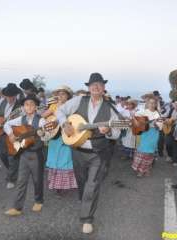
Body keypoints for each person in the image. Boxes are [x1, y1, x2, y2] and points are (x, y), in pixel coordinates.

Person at [56, 72, 120, 234]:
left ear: (104, 88)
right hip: (77, 150)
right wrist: (65, 124)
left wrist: (108, 131)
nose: (96, 87)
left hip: (98, 152)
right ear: (89, 87)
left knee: (92, 184)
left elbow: (117, 132)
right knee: (82, 182)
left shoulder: (110, 107)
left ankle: (87, 218)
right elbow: (60, 111)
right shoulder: (79, 100)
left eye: (99, 84)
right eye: (93, 85)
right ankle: (84, 199)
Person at [4, 94, 47, 216]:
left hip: (36, 154)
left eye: (32, 104)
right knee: (21, 181)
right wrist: (11, 134)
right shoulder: (20, 119)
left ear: (36, 107)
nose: (29, 107)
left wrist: (43, 134)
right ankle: (17, 207)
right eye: (26, 104)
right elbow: (6, 125)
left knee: (37, 179)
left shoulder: (41, 120)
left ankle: (39, 200)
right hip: (23, 153)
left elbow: (48, 134)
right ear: (23, 107)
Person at [43, 86, 77, 195]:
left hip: (66, 135)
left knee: (65, 160)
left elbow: (74, 119)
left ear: (68, 96)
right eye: (59, 94)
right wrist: (49, 119)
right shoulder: (53, 106)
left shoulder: (72, 107)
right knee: (54, 158)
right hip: (54, 136)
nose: (60, 96)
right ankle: (57, 184)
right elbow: (43, 116)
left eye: (63, 94)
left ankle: (65, 185)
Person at [0, 83, 22, 189]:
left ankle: (12, 178)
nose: (10, 98)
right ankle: (13, 171)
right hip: (0, 132)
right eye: (8, 96)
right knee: (1, 153)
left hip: (14, 132)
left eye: (12, 96)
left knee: (12, 156)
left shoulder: (20, 106)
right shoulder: (1, 102)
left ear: (16, 95)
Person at [132, 96, 163, 177]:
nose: (152, 105)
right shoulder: (143, 112)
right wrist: (139, 123)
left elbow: (160, 127)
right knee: (141, 152)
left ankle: (144, 170)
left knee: (149, 153)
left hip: (153, 135)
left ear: (156, 104)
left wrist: (155, 124)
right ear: (147, 104)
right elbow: (134, 117)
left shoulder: (158, 114)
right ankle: (142, 169)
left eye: (154, 103)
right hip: (144, 134)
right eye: (150, 103)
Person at [164, 98, 177, 166]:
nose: (176, 105)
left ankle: (175, 160)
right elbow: (164, 116)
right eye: (175, 103)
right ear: (173, 104)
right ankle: (170, 156)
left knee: (175, 145)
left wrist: (176, 120)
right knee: (168, 144)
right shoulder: (170, 110)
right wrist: (167, 120)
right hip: (169, 129)